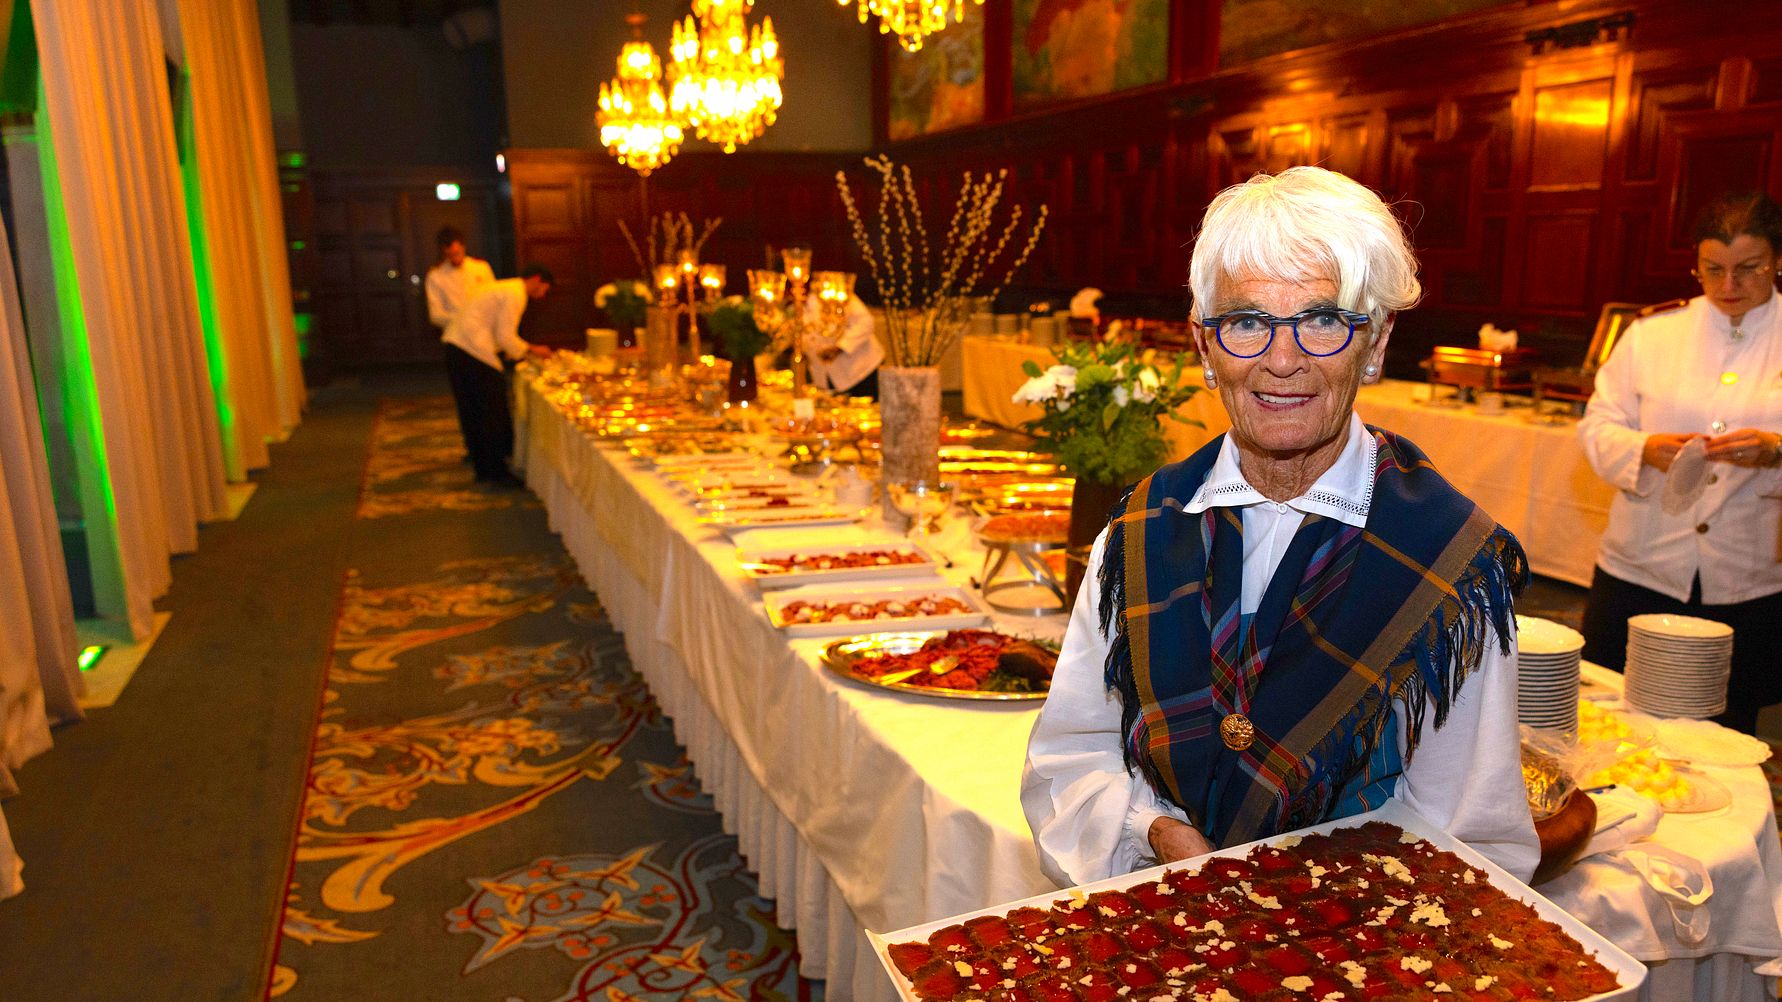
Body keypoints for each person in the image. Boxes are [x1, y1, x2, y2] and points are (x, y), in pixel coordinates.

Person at [1022, 166, 1538, 887]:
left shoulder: (1448, 566)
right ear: (1204, 346)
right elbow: (1070, 760)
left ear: (1378, 342)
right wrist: (1155, 832)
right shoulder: (1138, 534)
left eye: (1324, 319)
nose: (1283, 360)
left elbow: (1470, 840)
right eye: (1247, 322)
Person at [1578, 191, 1782, 735]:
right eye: (1712, 270)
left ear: (1777, 261)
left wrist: (1776, 451)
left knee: (1726, 722)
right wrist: (1645, 449)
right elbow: (1597, 426)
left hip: (1748, 570)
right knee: (1611, 714)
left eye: (1748, 269)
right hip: (1642, 562)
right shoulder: (1653, 335)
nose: (1728, 286)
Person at [442, 264, 554, 488]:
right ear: (537, 279)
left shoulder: (504, 287)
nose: (542, 296)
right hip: (472, 351)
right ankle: (496, 472)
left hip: (455, 346)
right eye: (544, 289)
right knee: (492, 412)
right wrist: (533, 350)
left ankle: (483, 467)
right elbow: (505, 336)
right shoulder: (516, 293)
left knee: (472, 411)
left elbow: (495, 331)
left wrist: (512, 350)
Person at [802, 288, 883, 398]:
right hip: (825, 377)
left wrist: (840, 347)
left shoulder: (830, 290)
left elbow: (865, 322)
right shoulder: (792, 305)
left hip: (861, 370)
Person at [425, 226, 495, 332]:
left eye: (457, 253)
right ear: (443, 252)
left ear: (463, 247)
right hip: (456, 334)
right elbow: (435, 316)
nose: (455, 257)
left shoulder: (481, 268)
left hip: (484, 331)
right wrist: (466, 319)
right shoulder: (435, 276)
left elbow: (493, 298)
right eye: (450, 254)